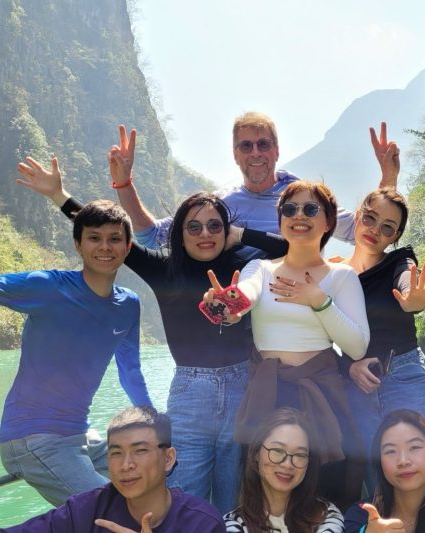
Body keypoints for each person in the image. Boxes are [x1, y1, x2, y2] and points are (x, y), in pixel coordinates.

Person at [17, 156, 276, 512]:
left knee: (234, 499)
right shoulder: (163, 270)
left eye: (214, 226)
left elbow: (293, 247)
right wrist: (59, 196)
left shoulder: (244, 263)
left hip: (242, 390)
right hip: (190, 396)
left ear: (225, 230)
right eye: (194, 227)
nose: (205, 234)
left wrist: (241, 235)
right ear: (180, 233)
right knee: (184, 498)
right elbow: (112, 236)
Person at [0, 201, 153, 506]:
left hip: (81, 435)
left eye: (114, 238)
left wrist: (153, 423)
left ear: (127, 247)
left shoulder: (128, 304)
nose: (105, 247)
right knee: (114, 510)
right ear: (78, 244)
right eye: (94, 238)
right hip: (32, 439)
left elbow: (130, 371)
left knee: (155, 483)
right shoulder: (49, 288)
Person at [206, 181, 370, 510]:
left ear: (328, 222)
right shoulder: (261, 268)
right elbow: (248, 294)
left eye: (310, 209)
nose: (299, 216)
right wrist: (229, 304)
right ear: (280, 219)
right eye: (290, 209)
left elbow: (357, 347)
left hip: (320, 396)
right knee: (263, 495)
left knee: (323, 494)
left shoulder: (341, 276)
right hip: (267, 394)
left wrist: (318, 301)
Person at [108, 115, 400, 253]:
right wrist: (123, 184)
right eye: (246, 146)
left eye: (264, 144)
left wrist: (388, 176)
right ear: (235, 154)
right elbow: (152, 237)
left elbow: (363, 231)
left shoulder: (304, 201)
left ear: (276, 150)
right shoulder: (220, 205)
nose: (256, 153)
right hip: (242, 323)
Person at [338, 187, 425, 491]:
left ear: (395, 236)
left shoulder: (399, 262)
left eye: (387, 227)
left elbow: (408, 285)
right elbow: (322, 336)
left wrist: (414, 299)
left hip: (405, 376)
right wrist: (348, 367)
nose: (375, 230)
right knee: (377, 479)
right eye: (370, 218)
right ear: (358, 216)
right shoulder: (334, 274)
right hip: (358, 384)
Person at [0, 406, 226, 533]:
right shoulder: (87, 511)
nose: (126, 465)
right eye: (116, 453)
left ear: (168, 458)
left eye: (140, 450)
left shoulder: (202, 523)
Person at [223, 408, 344, 533]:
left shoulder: (326, 516)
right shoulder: (232, 524)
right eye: (277, 451)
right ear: (256, 453)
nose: (287, 464)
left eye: (299, 455)